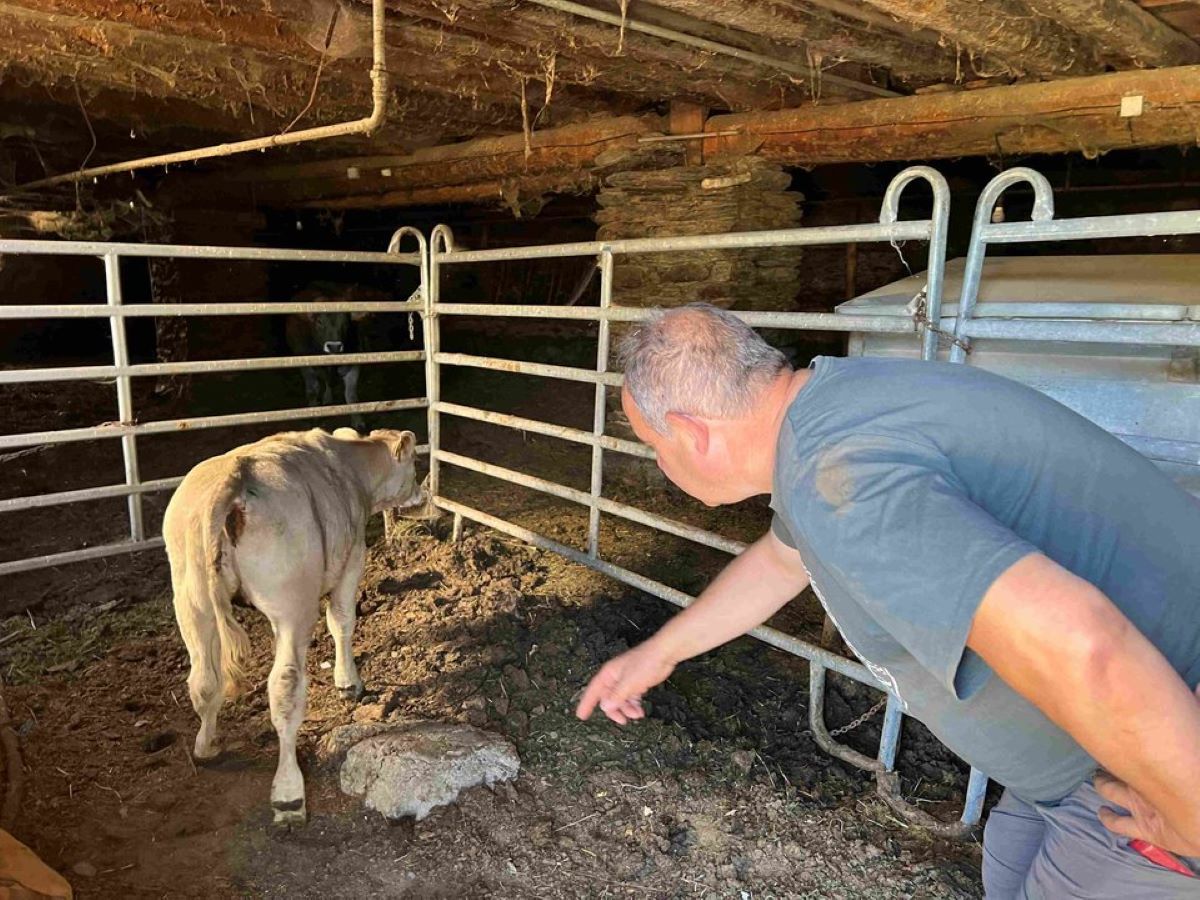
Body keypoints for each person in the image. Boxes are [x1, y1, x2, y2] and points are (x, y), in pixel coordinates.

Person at [575, 303, 1200, 898]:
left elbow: (1081, 640)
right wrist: (660, 652)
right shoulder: (834, 407)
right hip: (1087, 764)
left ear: (690, 433)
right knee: (1010, 863)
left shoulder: (841, 485)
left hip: (1160, 756)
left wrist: (1193, 810)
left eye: (653, 444)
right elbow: (781, 558)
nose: (659, 463)